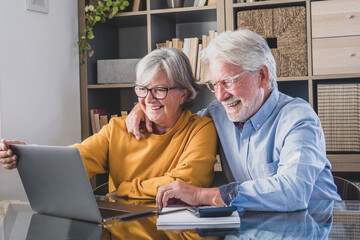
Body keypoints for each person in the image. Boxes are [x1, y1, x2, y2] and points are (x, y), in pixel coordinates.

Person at [125, 29, 341, 210]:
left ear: (262, 76)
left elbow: (293, 191)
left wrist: (204, 195)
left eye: (228, 82)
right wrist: (145, 108)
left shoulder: (298, 118)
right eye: (214, 85)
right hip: (255, 227)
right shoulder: (216, 114)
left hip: (315, 227)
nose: (220, 96)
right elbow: (177, 121)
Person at [0, 48, 217, 199]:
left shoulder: (201, 129)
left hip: (172, 232)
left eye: (159, 90)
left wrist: (123, 189)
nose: (148, 99)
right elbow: (76, 159)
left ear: (183, 94)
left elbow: (185, 182)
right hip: (118, 230)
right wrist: (27, 155)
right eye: (142, 89)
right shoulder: (118, 128)